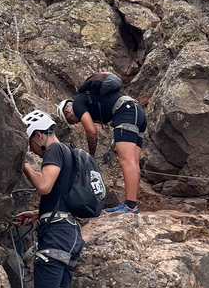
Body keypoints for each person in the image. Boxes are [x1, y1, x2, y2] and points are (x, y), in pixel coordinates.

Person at [15, 110, 93, 288]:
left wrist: (22, 163)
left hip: (56, 236)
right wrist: (37, 214)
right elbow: (59, 195)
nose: (34, 153)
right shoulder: (70, 152)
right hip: (70, 232)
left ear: (38, 135)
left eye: (32, 147)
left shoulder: (54, 149)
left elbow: (45, 185)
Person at [57, 86, 147, 215]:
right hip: (137, 112)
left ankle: (130, 206)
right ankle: (132, 204)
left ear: (67, 111)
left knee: (126, 161)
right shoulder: (90, 101)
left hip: (125, 112)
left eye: (71, 121)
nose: (75, 123)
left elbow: (92, 132)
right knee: (133, 162)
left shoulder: (77, 104)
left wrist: (91, 155)